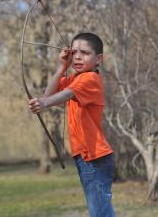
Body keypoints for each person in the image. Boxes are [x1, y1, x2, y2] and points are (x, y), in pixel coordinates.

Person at [28, 32, 115, 217]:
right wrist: (62, 67)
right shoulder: (75, 77)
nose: (77, 56)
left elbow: (64, 95)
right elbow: (48, 94)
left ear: (98, 59)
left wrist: (43, 104)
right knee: (100, 211)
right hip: (86, 157)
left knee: (100, 213)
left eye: (84, 52)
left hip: (94, 158)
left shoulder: (90, 79)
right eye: (74, 52)